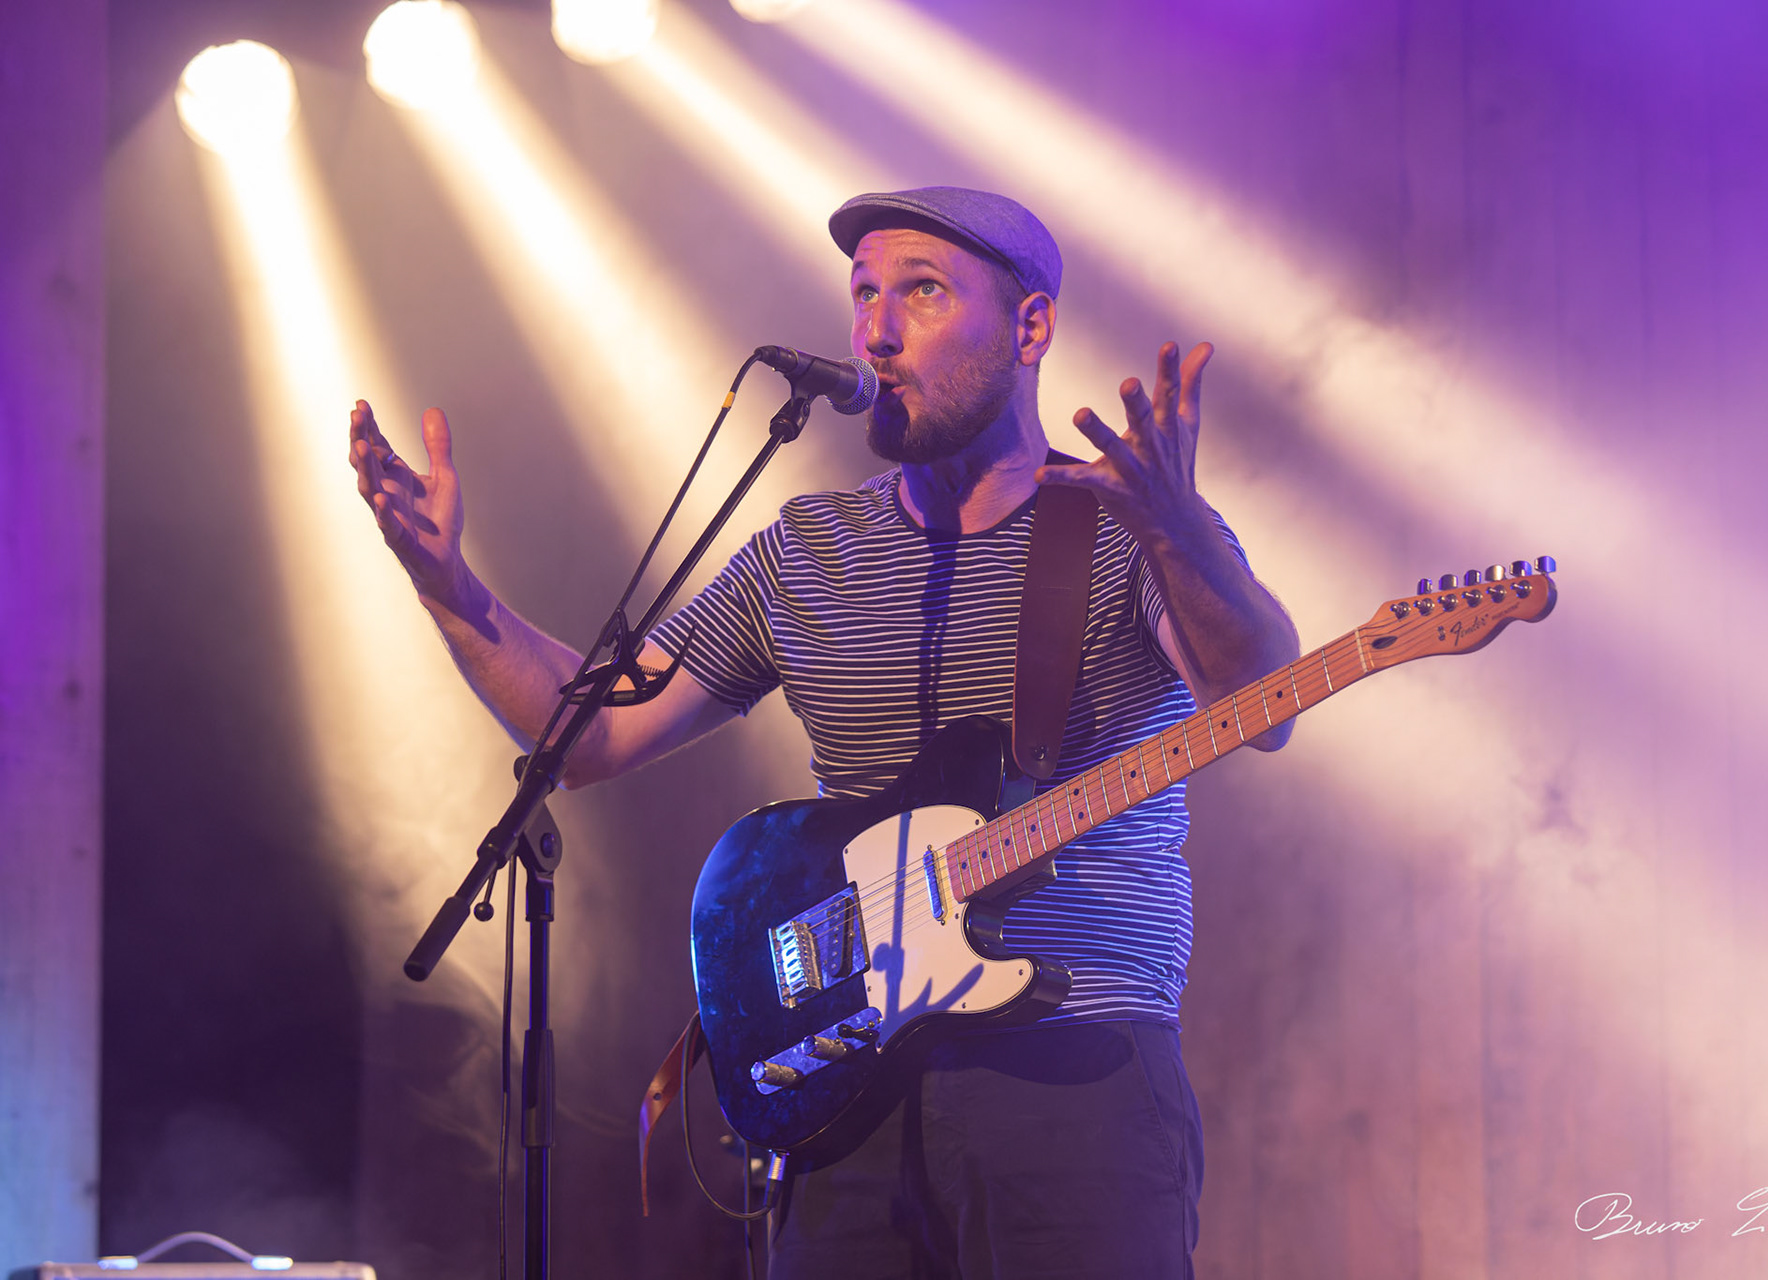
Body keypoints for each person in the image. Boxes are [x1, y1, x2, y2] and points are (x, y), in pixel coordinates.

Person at [349, 186, 1299, 1278]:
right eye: (864, 296)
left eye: (923, 294)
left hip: (1073, 1069)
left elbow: (1258, 698)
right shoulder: (809, 550)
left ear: (1031, 328)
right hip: (848, 1083)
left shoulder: (1129, 520)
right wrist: (448, 587)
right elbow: (593, 734)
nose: (877, 331)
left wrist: (1178, 529)